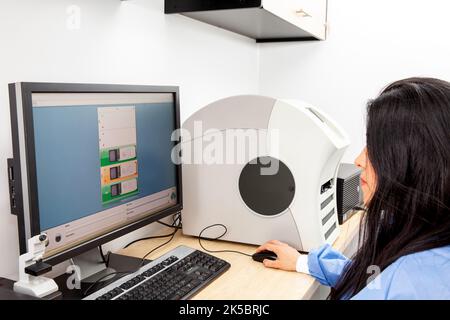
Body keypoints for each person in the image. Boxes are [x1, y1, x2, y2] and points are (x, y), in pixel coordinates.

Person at [256, 77, 450, 300]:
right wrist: (303, 262)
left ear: (416, 162)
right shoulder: (421, 235)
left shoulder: (414, 284)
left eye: (375, 148)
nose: (358, 160)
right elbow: (375, 280)